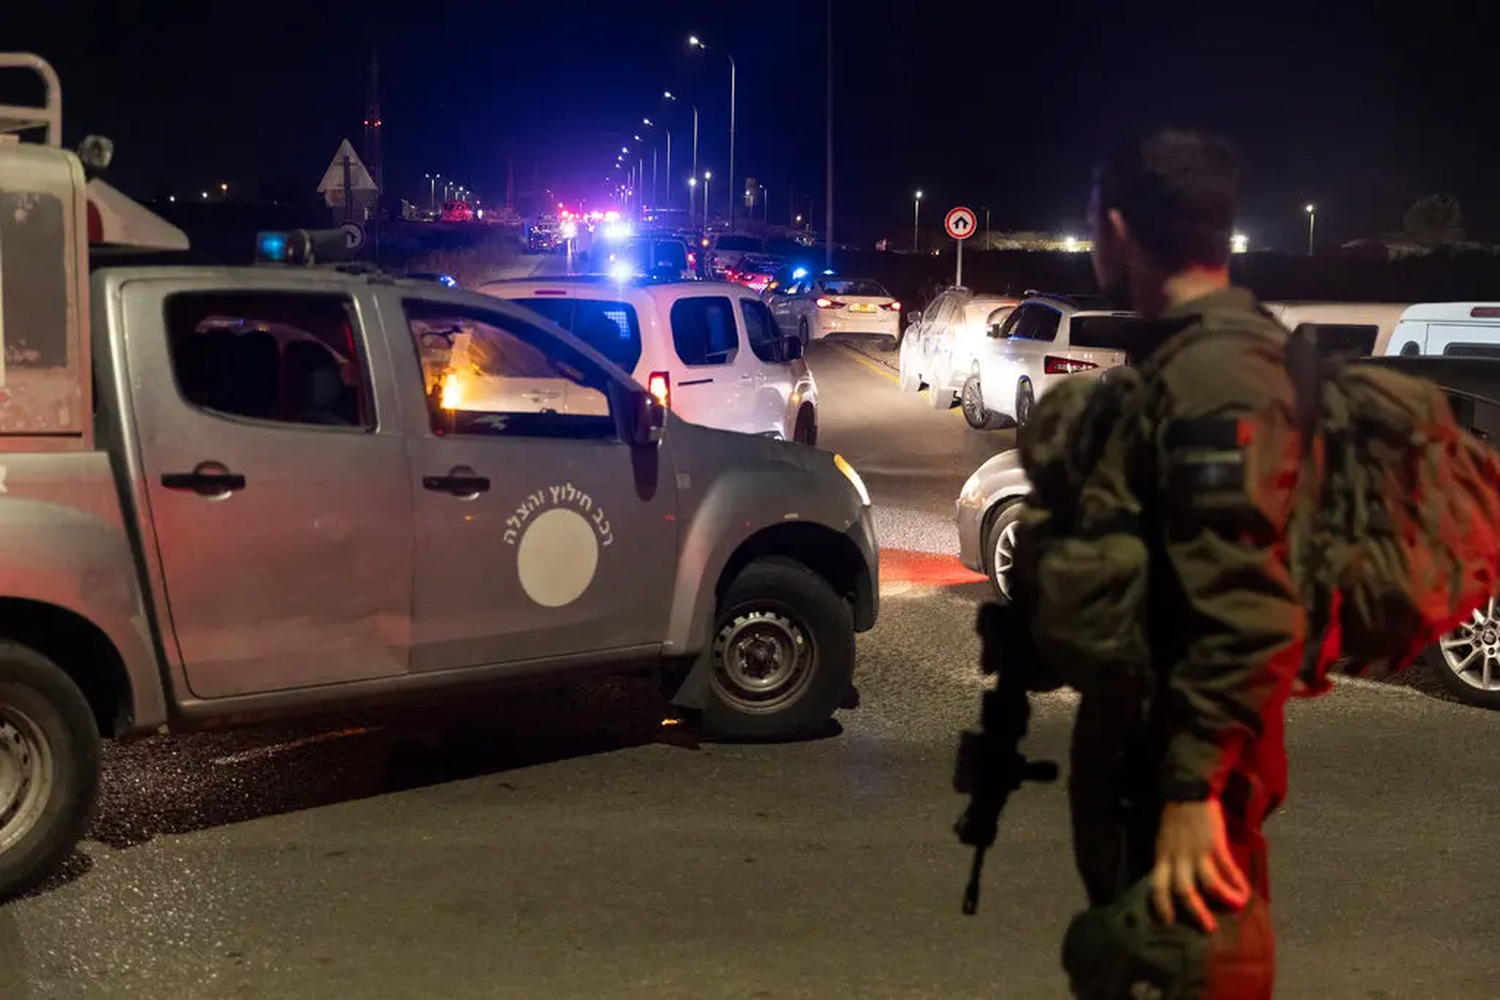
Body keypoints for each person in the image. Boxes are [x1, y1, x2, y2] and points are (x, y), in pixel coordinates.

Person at [1062, 128, 1304, 997]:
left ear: (1118, 228)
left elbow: (1243, 589)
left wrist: (1192, 789)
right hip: (1156, 766)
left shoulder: (1214, 375)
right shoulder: (1191, 354)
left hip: (1184, 788)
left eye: (1092, 217)